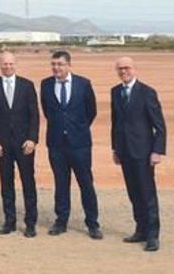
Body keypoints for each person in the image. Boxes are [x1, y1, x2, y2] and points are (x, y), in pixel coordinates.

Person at [41, 50, 102, 239]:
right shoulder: (46, 84)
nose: (56, 68)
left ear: (68, 65)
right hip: (56, 144)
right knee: (61, 183)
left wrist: (77, 129)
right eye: (53, 64)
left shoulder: (83, 84)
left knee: (86, 184)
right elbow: (47, 111)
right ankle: (61, 221)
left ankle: (92, 223)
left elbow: (91, 111)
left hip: (80, 144)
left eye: (59, 64)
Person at [110, 56, 167, 252]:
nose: (123, 72)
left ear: (134, 69)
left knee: (147, 193)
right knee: (133, 193)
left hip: (143, 152)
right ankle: (140, 229)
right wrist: (115, 149)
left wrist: (157, 150)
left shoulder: (147, 92)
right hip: (125, 152)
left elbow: (159, 125)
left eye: (126, 68)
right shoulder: (116, 92)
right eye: (120, 69)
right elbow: (115, 123)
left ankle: (152, 235)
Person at [0, 52, 40, 237]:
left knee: (28, 183)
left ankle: (31, 223)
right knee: (6, 183)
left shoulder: (27, 85)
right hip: (2, 145)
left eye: (10, 64)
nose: (7, 67)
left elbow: (34, 115)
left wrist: (32, 138)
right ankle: (9, 221)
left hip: (25, 144)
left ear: (15, 64)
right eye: (4, 64)